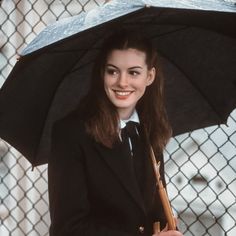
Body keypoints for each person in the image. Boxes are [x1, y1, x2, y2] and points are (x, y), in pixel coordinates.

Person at [48, 28, 183, 236]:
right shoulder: (70, 133)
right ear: (102, 73)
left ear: (150, 76)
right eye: (113, 71)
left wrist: (167, 228)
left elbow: (152, 212)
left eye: (133, 72)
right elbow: (68, 229)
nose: (122, 82)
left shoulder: (149, 130)